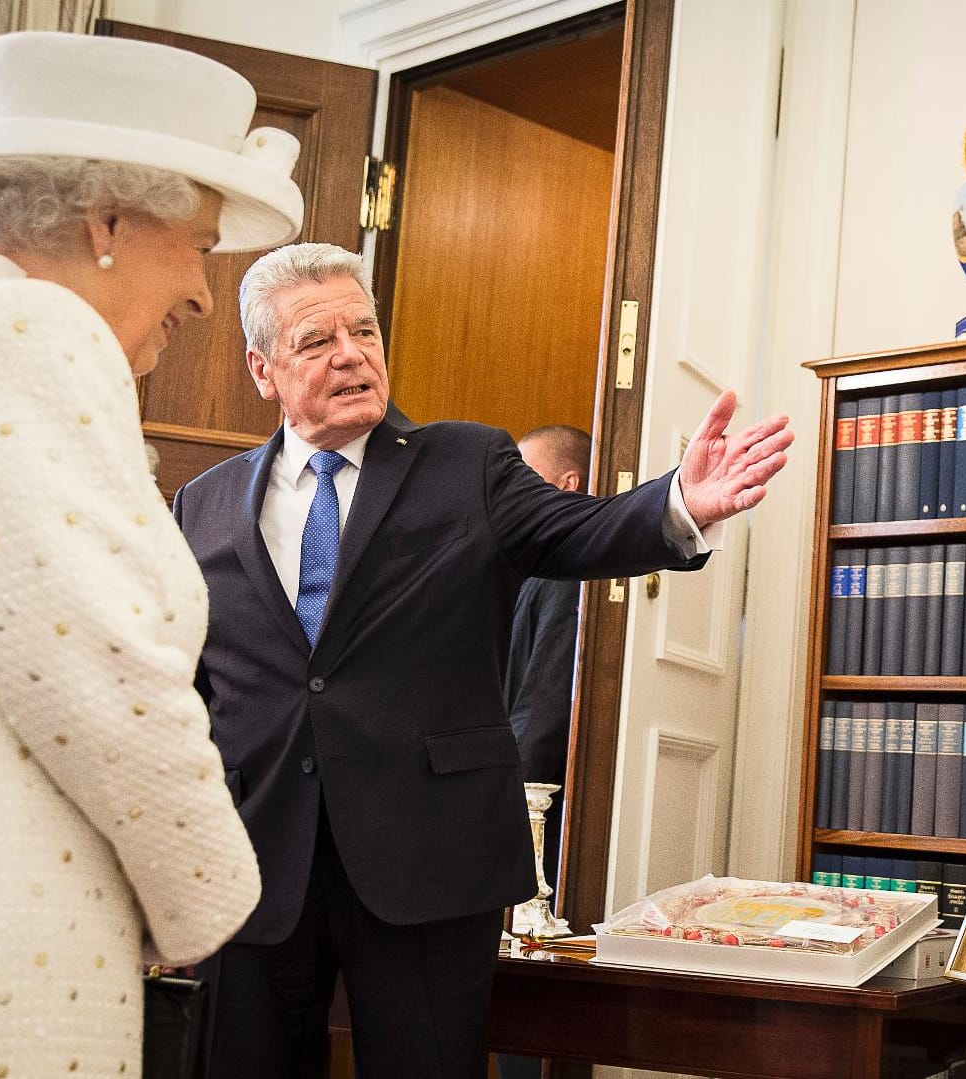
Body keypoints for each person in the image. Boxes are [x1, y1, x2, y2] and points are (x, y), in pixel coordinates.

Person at [172, 241, 792, 1079]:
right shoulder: (202, 504)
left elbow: (584, 530)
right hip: (254, 861)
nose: (352, 353)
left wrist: (679, 501)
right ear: (263, 369)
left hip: (426, 858)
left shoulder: (468, 465)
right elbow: (188, 685)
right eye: (317, 341)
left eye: (365, 330)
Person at [0, 31, 303, 1075]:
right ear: (110, 222)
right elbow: (97, 671)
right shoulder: (32, 332)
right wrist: (208, 899)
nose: (207, 295)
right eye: (203, 247)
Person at [506, 424, 594, 883]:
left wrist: (507, 793)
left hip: (536, 795)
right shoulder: (534, 559)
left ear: (567, 484)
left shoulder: (567, 563)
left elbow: (546, 696)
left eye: (525, 473)